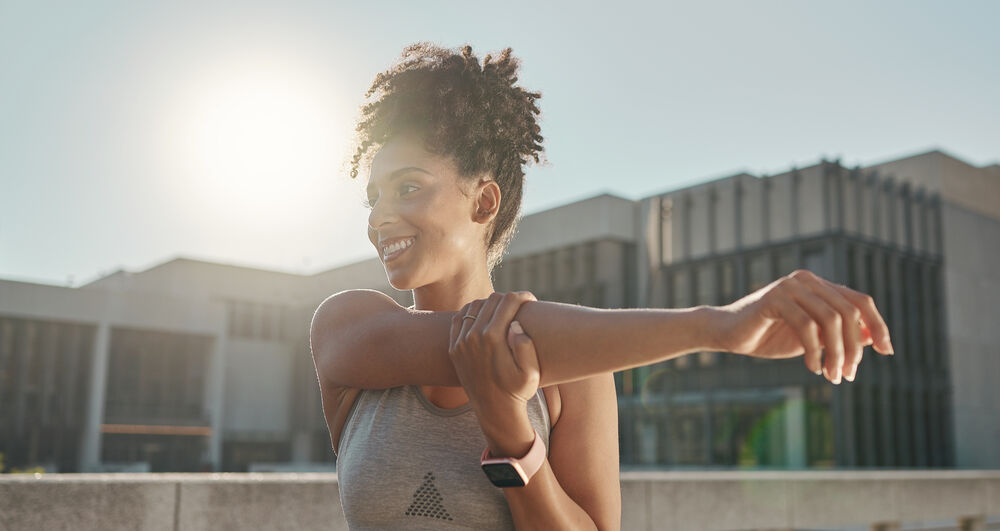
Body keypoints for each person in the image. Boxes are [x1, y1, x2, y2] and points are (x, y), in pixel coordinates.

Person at [310, 42, 893, 531]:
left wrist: (512, 433)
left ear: (484, 201)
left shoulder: (581, 369)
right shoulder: (348, 327)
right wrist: (719, 326)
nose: (379, 217)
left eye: (407, 187)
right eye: (374, 196)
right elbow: (483, 340)